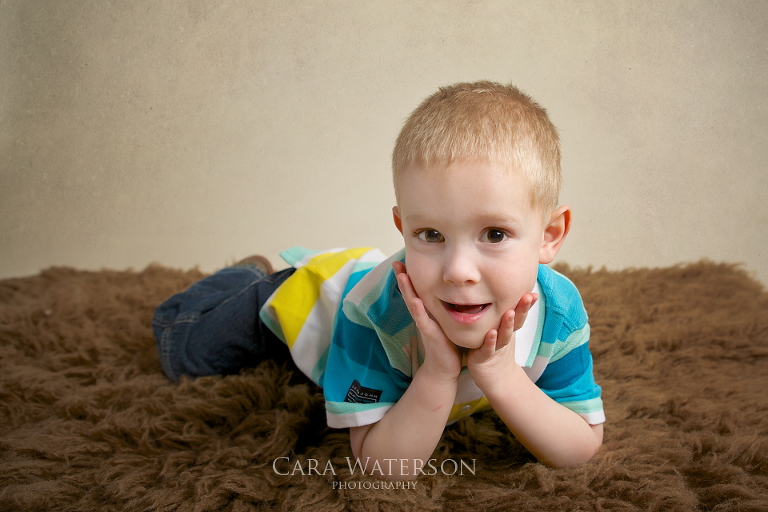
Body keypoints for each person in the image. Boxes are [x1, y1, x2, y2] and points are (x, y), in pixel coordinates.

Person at [153, 81, 604, 479]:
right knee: (183, 349)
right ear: (402, 227)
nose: (458, 271)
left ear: (549, 236)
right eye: (430, 235)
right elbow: (380, 464)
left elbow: (581, 445)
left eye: (495, 234)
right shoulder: (371, 313)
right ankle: (250, 272)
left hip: (359, 272)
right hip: (308, 298)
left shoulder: (557, 312)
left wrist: (503, 377)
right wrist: (437, 374)